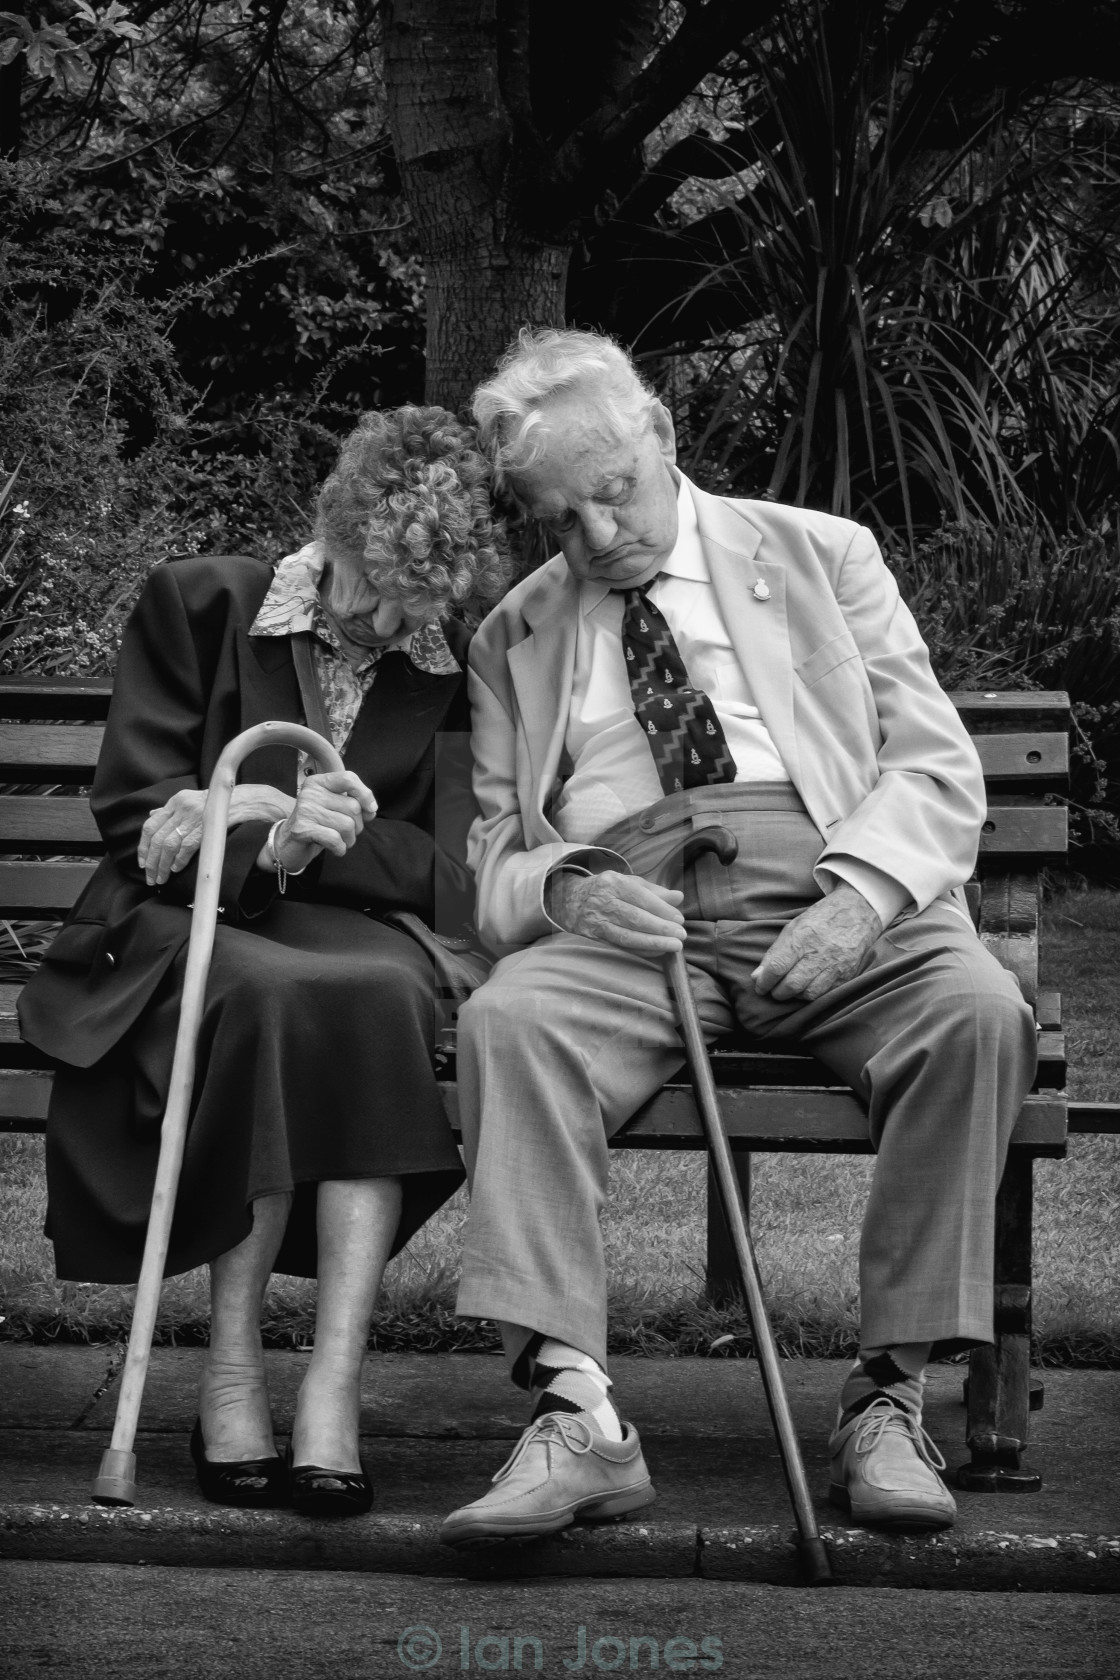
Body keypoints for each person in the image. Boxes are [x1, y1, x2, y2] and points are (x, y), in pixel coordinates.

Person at [438, 328, 1038, 1547]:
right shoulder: (515, 632)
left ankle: (887, 1397)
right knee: (507, 1021)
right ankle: (577, 1417)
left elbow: (931, 764)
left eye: (614, 495)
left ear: (662, 439)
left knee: (978, 1014)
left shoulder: (821, 554)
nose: (599, 539)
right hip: (634, 920)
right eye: (562, 519)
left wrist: (863, 895)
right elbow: (495, 859)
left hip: (836, 883)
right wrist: (570, 888)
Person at [19, 406, 509, 1517]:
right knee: (281, 995)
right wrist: (263, 835)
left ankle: (334, 1385)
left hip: (348, 934)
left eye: (413, 607)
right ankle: (231, 1367)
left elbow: (443, 868)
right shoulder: (201, 601)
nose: (383, 622)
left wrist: (327, 834)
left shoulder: (445, 659)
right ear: (330, 532)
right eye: (367, 588)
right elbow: (137, 812)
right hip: (179, 924)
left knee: (380, 991)